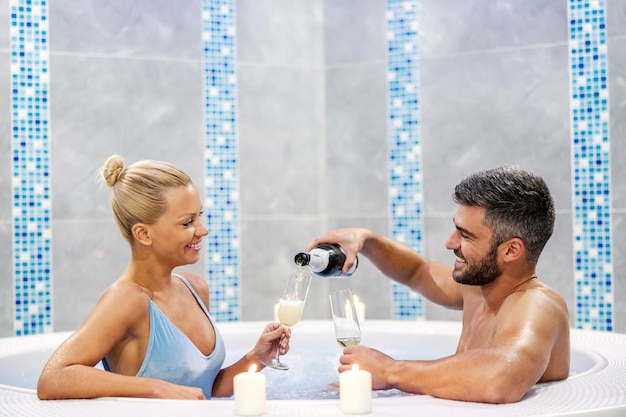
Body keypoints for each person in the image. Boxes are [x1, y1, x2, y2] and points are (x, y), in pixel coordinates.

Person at [306, 166, 570, 404]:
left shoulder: (538, 305)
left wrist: (389, 371)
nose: (450, 243)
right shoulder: (479, 289)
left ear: (511, 250)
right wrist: (366, 240)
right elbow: (416, 271)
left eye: (465, 235)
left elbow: (500, 380)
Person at [37, 155, 290, 400]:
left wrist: (256, 357)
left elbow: (204, 390)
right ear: (144, 234)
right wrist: (156, 389)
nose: (202, 229)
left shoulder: (194, 288)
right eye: (187, 223)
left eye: (199, 216)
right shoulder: (126, 299)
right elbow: (53, 379)